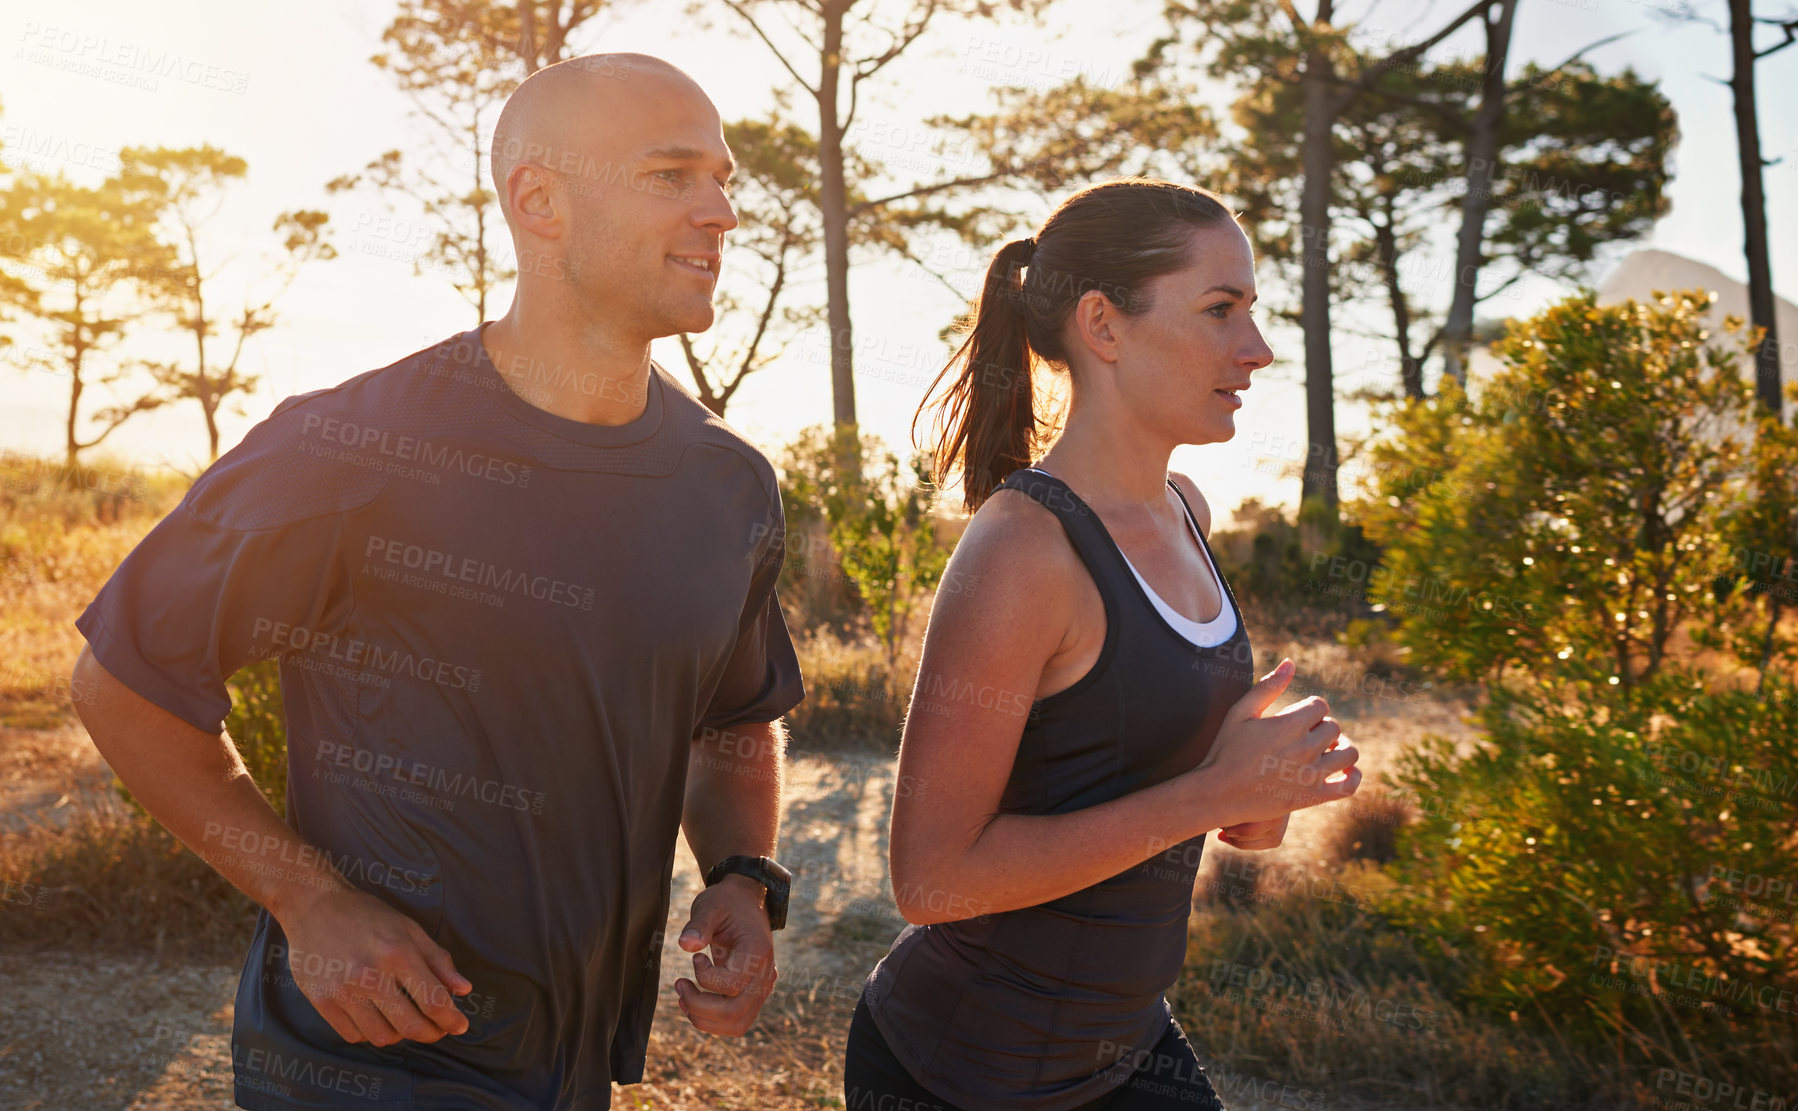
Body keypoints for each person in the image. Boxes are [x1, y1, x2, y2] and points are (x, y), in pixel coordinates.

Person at [69, 53, 805, 1110]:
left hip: (572, 1064)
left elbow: (731, 720)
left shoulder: (727, 484)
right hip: (368, 1060)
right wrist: (309, 901)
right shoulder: (350, 445)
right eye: (670, 176)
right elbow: (121, 679)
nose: (722, 212)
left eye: (723, 180)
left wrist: (742, 873)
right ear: (538, 201)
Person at [841, 178, 1364, 1111]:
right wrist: (1212, 791)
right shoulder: (1022, 552)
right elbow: (931, 877)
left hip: (1125, 1051)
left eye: (1254, 311)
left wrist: (1266, 787)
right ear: (1104, 326)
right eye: (1220, 310)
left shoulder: (1187, 513)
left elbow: (1197, 807)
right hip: (960, 1071)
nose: (1258, 348)